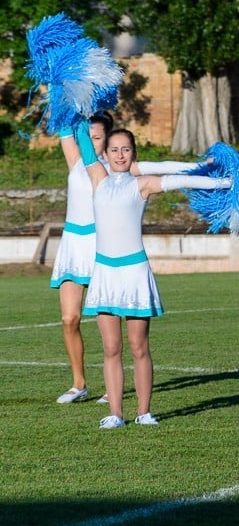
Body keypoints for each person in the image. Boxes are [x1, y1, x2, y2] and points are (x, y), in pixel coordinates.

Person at [75, 125, 231, 428]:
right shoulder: (97, 178)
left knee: (139, 346)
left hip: (134, 272)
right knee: (110, 349)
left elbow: (180, 181)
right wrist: (75, 104)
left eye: (126, 150)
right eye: (114, 149)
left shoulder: (141, 184)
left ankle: (144, 411)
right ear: (104, 153)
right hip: (104, 272)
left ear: (134, 153)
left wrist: (225, 182)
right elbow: (82, 139)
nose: (120, 155)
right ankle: (116, 413)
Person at [51, 114, 201, 406]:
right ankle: (79, 383)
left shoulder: (119, 170)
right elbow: (64, 120)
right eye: (89, 137)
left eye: (98, 138)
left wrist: (203, 167)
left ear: (107, 142)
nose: (92, 143)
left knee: (113, 326)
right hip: (73, 245)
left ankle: (114, 390)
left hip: (103, 248)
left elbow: (165, 171)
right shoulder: (78, 162)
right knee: (69, 318)